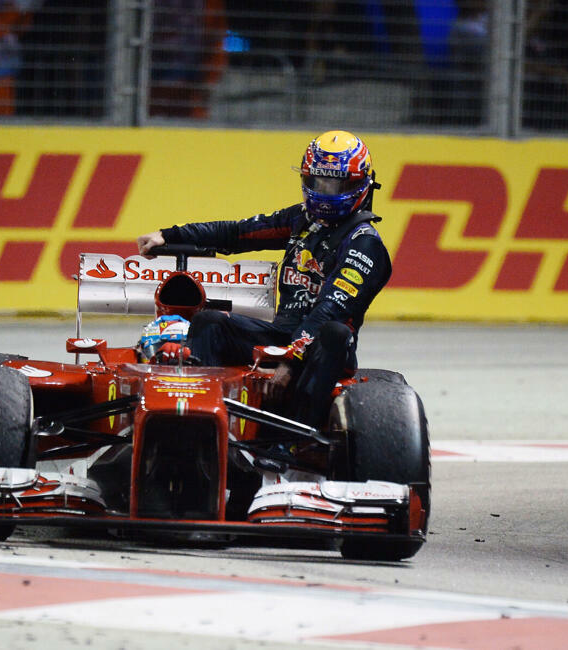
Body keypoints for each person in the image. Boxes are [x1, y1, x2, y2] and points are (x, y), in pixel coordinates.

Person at [136, 130, 391, 430]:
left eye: (337, 184)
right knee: (209, 322)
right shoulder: (303, 221)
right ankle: (194, 423)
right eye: (319, 181)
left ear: (360, 183)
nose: (325, 191)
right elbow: (237, 232)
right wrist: (170, 235)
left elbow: (330, 310)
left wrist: (290, 360)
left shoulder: (365, 244)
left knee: (334, 332)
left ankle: (294, 436)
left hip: (322, 351)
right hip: (280, 336)